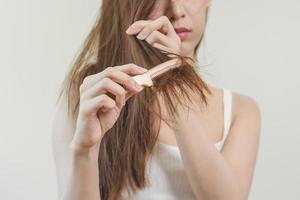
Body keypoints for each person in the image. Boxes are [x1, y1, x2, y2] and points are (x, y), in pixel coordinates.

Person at [51, 0, 261, 199]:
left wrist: (174, 80)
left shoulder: (239, 110)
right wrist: (85, 150)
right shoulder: (92, 95)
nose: (177, 10)